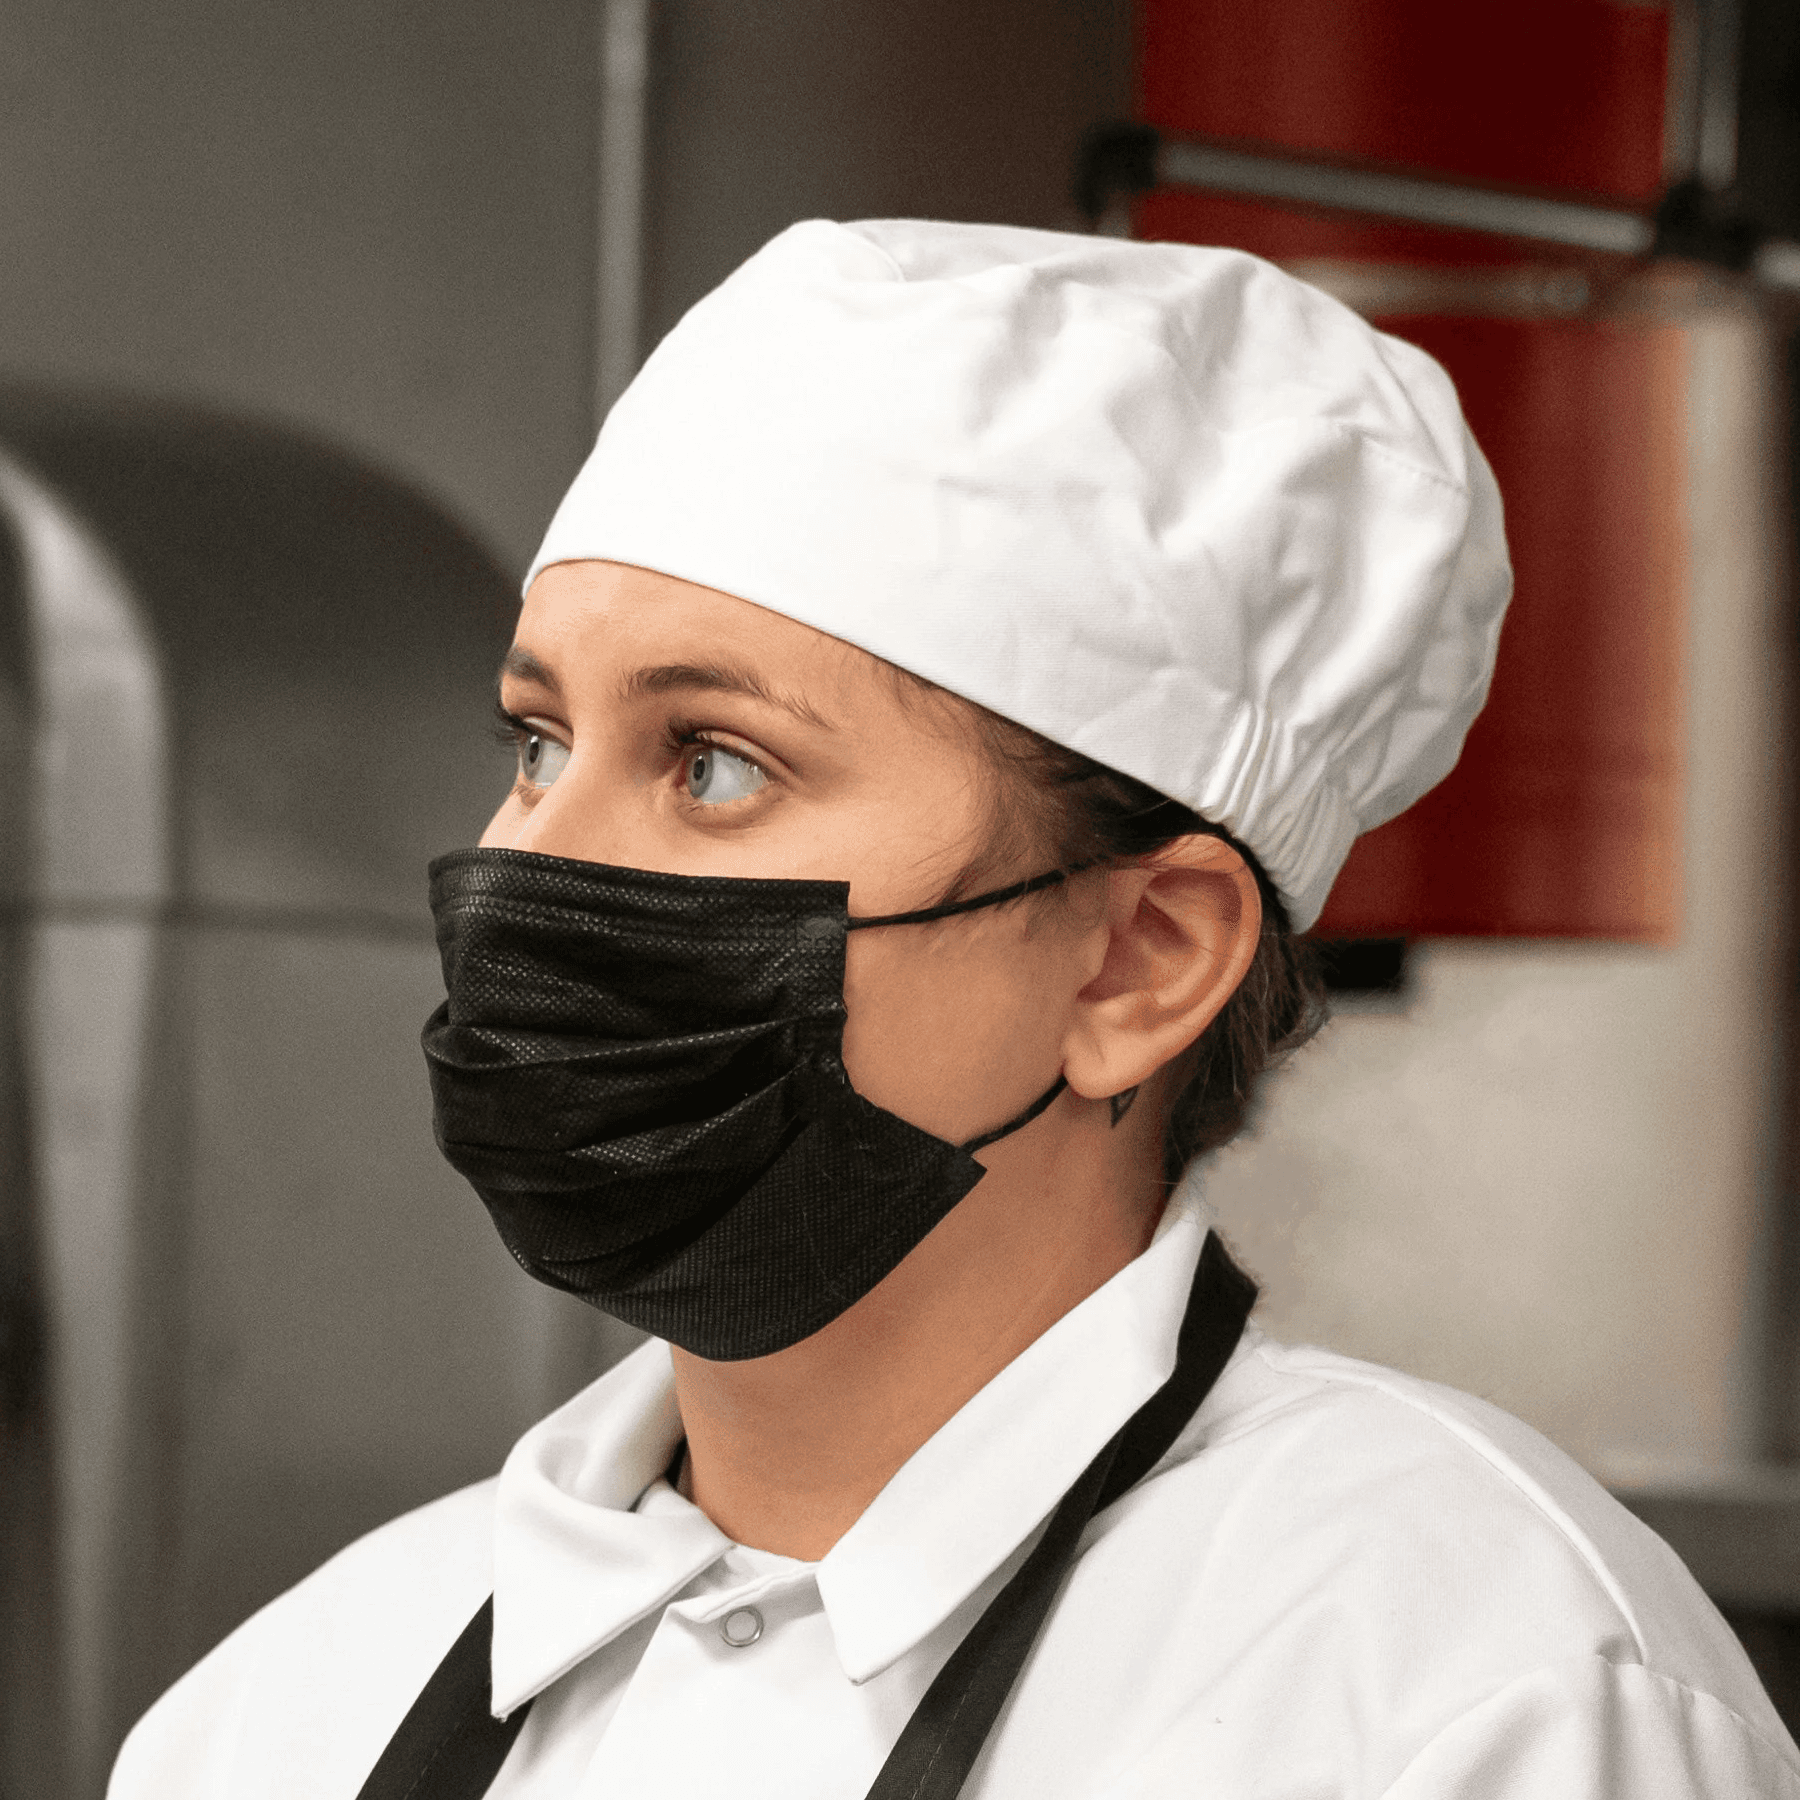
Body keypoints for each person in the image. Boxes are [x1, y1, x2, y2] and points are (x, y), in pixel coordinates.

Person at [110, 221, 1799, 1798]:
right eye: (540, 744)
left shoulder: (1470, 1693)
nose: (538, 867)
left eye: (713, 764)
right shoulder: (286, 1709)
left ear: (1138, 961)